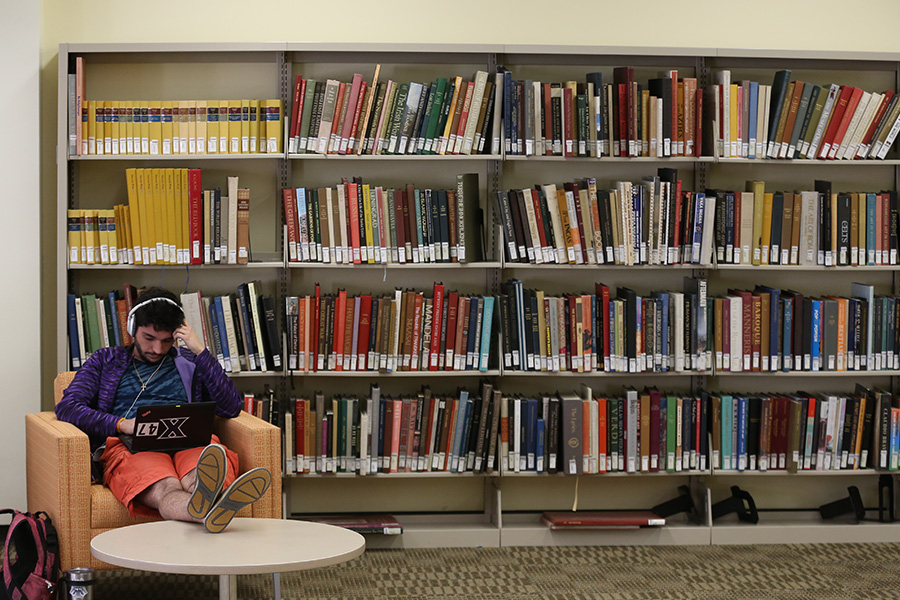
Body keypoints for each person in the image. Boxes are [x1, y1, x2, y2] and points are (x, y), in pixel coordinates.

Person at [56, 287, 271, 534]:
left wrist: (200, 351)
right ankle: (211, 508)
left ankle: (205, 503)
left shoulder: (189, 361)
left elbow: (231, 407)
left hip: (190, 440)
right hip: (131, 445)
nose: (158, 349)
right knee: (168, 487)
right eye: (149, 338)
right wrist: (121, 424)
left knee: (198, 477)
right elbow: (68, 407)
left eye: (167, 340)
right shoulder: (105, 361)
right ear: (131, 328)